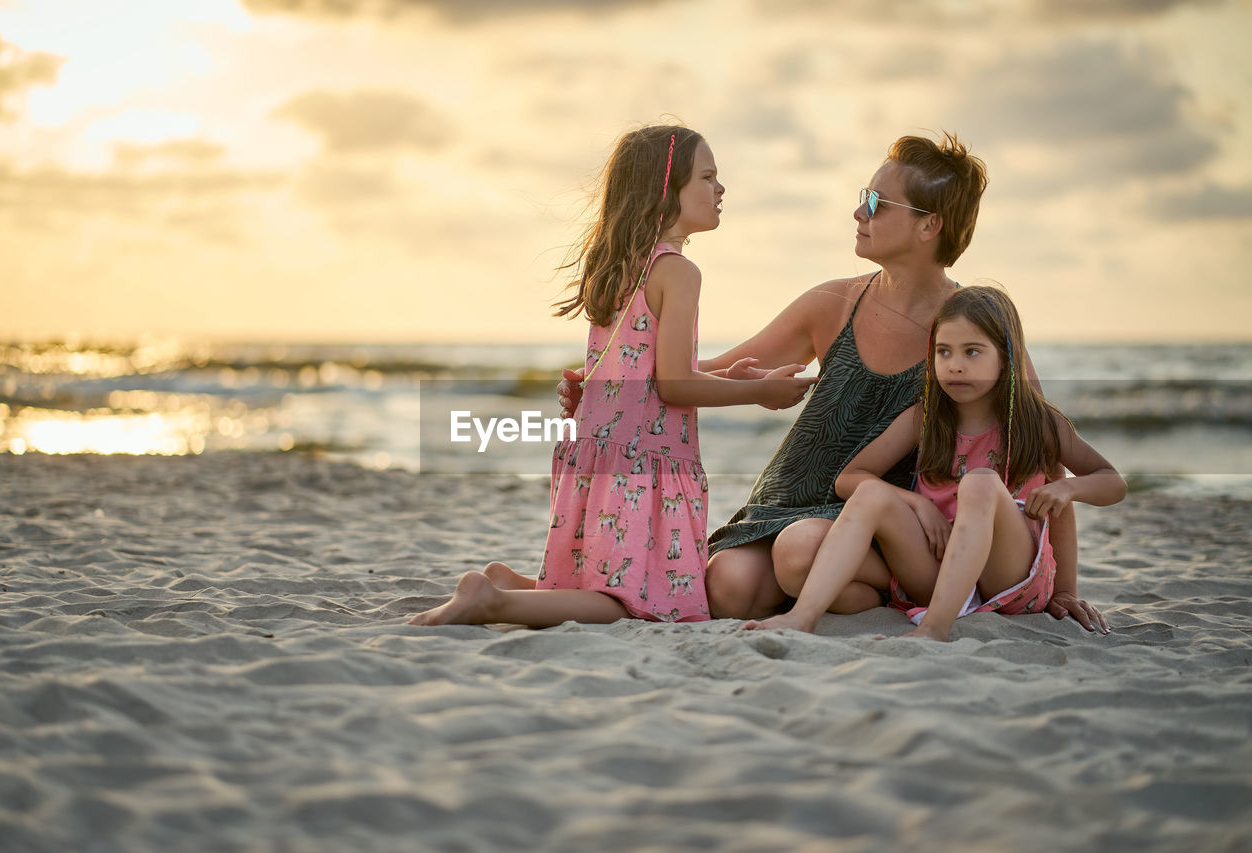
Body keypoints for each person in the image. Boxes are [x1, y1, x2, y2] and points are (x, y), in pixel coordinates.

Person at [559, 133, 1109, 633]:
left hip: (882, 522)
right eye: (861, 197)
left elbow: (1043, 452)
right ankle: (848, 593)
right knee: (726, 588)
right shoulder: (834, 302)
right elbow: (708, 371)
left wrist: (1064, 591)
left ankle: (879, 589)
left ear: (928, 225)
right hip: (792, 497)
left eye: (875, 202)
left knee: (799, 555)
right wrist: (609, 387)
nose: (858, 211)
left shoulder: (969, 332)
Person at [410, 124, 815, 628]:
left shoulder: (619, 263)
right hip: (643, 463)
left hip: (597, 450)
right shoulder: (679, 272)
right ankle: (494, 601)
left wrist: (724, 372)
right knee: (638, 606)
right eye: (708, 177)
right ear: (667, 191)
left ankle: (509, 584)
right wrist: (759, 392)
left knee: (605, 582)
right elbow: (674, 386)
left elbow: (645, 370)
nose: (720, 189)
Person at [743, 285, 1127, 640]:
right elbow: (850, 479)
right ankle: (803, 616)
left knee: (979, 483)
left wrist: (1068, 488)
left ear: (1007, 356)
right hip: (937, 569)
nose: (955, 365)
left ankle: (935, 628)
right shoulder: (925, 417)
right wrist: (917, 503)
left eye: (972, 352)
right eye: (944, 352)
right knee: (871, 494)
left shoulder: (1036, 421)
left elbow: (1112, 481)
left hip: (1008, 578)